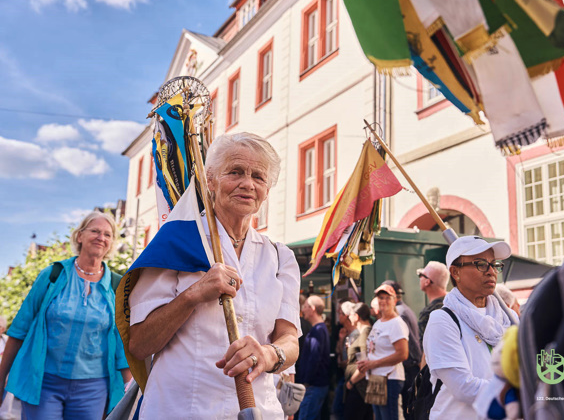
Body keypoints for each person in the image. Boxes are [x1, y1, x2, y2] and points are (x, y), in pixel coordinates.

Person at [127, 133, 301, 418]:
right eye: (235, 172)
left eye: (259, 177)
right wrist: (194, 294)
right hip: (181, 409)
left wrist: (269, 355)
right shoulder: (177, 243)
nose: (247, 183)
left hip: (257, 408)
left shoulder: (281, 257)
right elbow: (140, 344)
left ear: (267, 190)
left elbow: (289, 339)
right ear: (210, 180)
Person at [0, 212, 131, 419]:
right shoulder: (53, 275)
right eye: (95, 231)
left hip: (93, 389)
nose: (101, 237)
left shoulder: (117, 286)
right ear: (79, 236)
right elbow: (19, 329)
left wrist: (128, 389)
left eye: (107, 234)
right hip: (44, 382)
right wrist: (1, 378)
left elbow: (122, 343)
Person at [424, 236, 517, 419]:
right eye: (481, 264)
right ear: (455, 272)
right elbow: (463, 387)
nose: (491, 271)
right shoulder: (443, 320)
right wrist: (515, 394)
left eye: (494, 264)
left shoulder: (509, 318)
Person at [357, 284, 408, 420]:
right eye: (380, 298)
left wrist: (373, 364)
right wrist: (367, 362)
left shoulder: (396, 323)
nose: (383, 301)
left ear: (394, 300)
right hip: (376, 378)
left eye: (387, 298)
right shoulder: (379, 322)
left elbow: (403, 354)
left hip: (389, 379)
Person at [381, 279, 422, 419]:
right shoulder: (404, 309)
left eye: (386, 297)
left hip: (408, 367)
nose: (382, 301)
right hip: (411, 365)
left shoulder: (400, 312)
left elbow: (406, 345)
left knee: (408, 410)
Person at [297, 295, 330, 420]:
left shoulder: (318, 330)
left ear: (312, 308)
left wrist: (306, 382)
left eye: (305, 307)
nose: (303, 310)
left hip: (313, 386)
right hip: (315, 385)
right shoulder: (319, 329)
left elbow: (314, 358)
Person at [344, 303, 374, 420]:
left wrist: (351, 382)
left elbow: (364, 361)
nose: (349, 317)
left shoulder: (365, 332)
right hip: (359, 387)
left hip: (359, 388)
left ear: (356, 316)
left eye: (350, 315)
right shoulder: (363, 333)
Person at [333, 300, 357, 420]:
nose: (338, 314)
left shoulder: (356, 334)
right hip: (344, 375)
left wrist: (345, 363)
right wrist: (341, 340)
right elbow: (340, 354)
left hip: (352, 378)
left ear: (347, 316)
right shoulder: (345, 333)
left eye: (340, 312)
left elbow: (354, 359)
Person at [417, 261, 449, 344]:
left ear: (427, 282)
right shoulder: (456, 304)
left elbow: (427, 349)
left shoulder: (428, 313)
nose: (419, 278)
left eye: (421, 275)